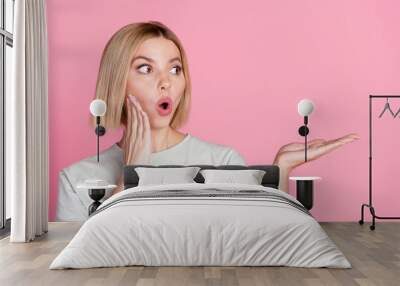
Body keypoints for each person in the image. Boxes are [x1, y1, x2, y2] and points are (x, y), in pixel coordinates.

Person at [56, 21, 359, 221]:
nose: (166, 83)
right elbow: (93, 262)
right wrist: (132, 173)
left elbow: (250, 234)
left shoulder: (222, 160)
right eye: (146, 69)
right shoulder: (76, 179)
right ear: (117, 82)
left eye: (175, 69)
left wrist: (281, 170)